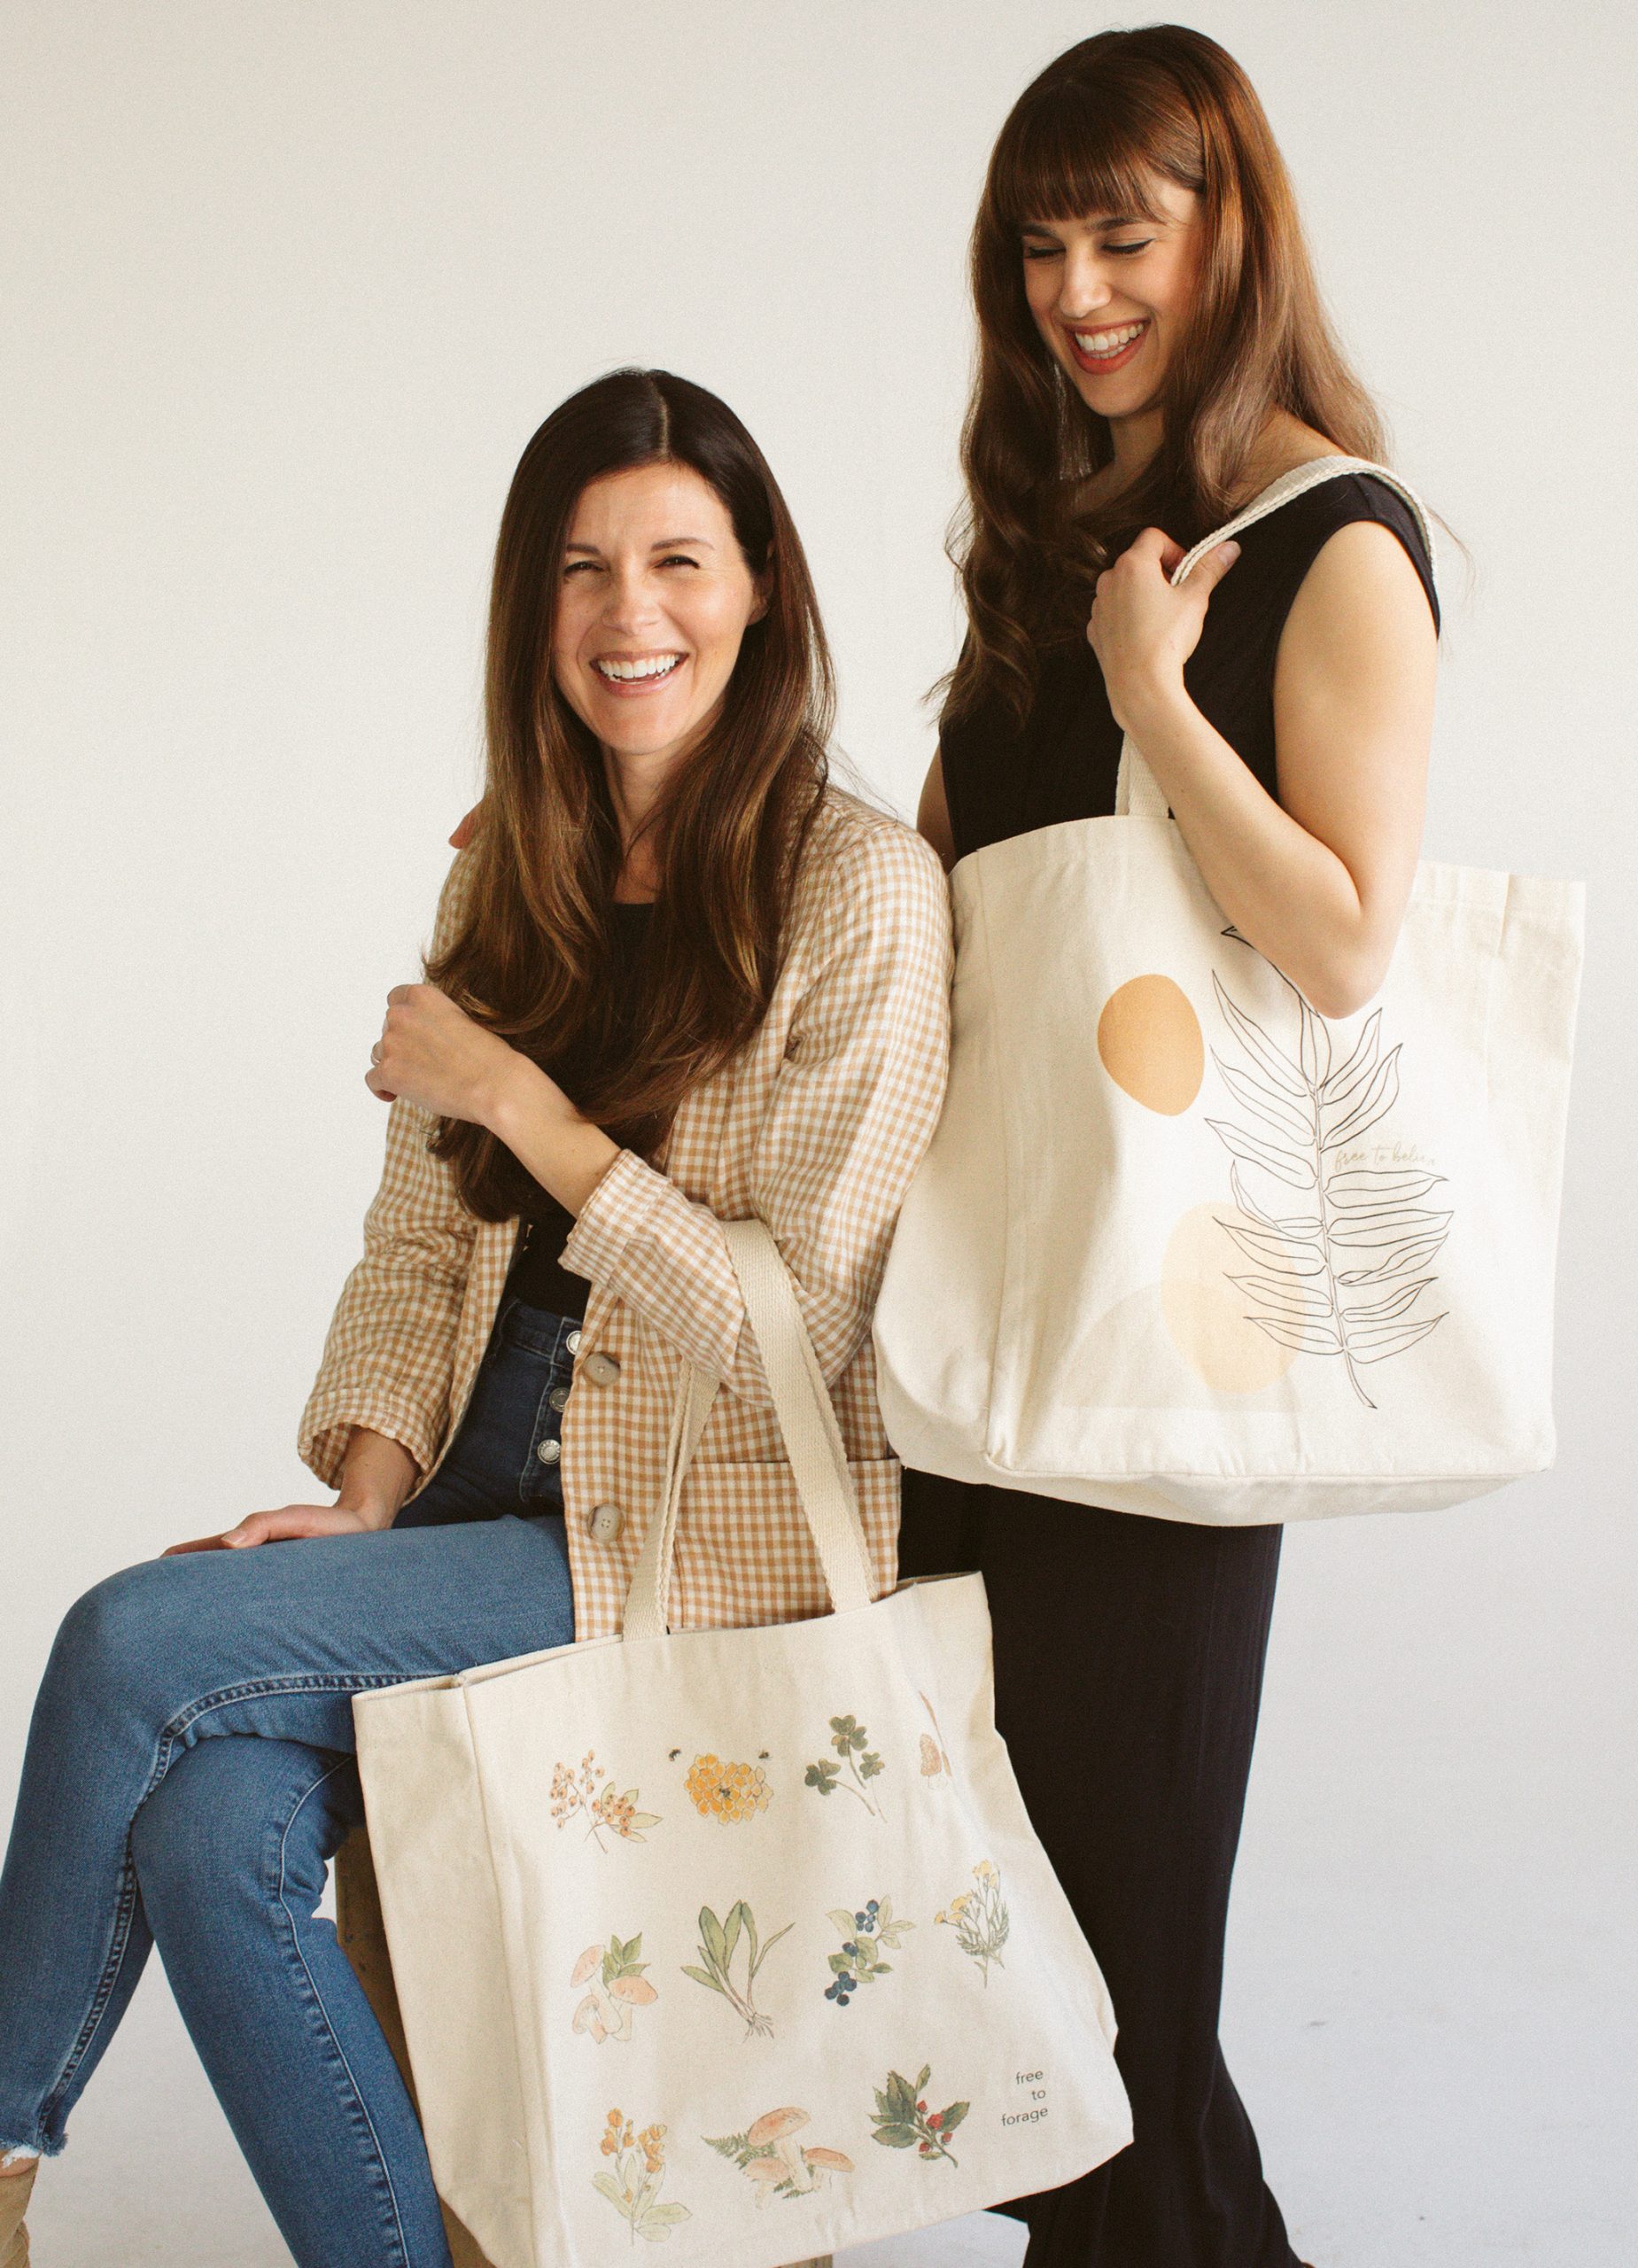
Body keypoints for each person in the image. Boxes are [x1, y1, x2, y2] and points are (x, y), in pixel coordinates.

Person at [0, 367, 951, 2268]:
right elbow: (413, 1256)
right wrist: (360, 1503)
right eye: (582, 567)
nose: (630, 612)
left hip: (684, 1549)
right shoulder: (504, 868)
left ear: (760, 586)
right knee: (208, 1834)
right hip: (458, 1527)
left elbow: (805, 1325)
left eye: (679, 559)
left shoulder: (861, 893)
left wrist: (529, 1105)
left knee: (123, 1641)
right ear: (535, 605)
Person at [898, 27, 1439, 2268]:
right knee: (1029, 2000)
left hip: (1161, 1365)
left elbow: (1341, 935)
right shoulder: (1061, 540)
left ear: (1235, 229)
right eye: (1042, 248)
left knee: (1115, 2013)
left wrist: (1149, 698)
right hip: (982, 1327)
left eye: (1124, 234)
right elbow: (934, 909)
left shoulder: (1331, 540)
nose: (1076, 293)